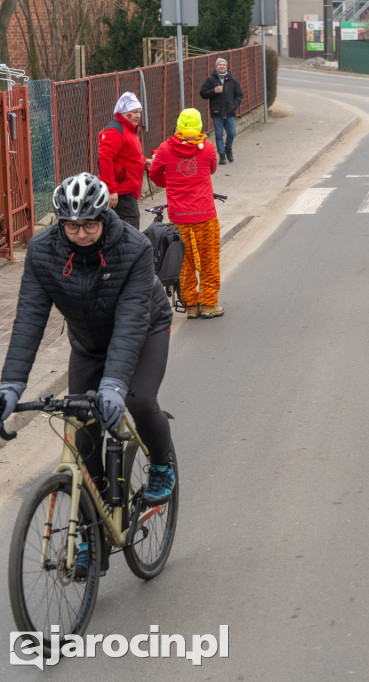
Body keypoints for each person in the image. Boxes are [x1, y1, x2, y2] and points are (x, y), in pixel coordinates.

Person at [0, 173, 176, 574]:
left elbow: (131, 321)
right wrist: (11, 384)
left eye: (89, 225)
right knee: (84, 433)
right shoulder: (43, 250)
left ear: (105, 217)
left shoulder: (132, 247)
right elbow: (29, 318)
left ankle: (162, 465)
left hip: (145, 329)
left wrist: (114, 383)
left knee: (138, 399)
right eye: (71, 225)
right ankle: (91, 540)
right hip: (88, 343)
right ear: (59, 221)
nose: (80, 233)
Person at [149, 108, 223, 319]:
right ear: (199, 126)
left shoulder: (164, 149)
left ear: (179, 127)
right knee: (209, 260)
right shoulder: (207, 148)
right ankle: (208, 304)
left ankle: (191, 305)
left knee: (183, 262)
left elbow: (155, 174)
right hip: (205, 215)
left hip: (179, 217)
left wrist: (170, 181)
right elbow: (212, 169)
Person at [97, 92, 149, 229]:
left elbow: (129, 157)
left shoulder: (128, 129)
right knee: (129, 233)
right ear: (125, 113)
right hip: (121, 193)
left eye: (139, 112)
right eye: (134, 112)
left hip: (126, 191)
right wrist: (111, 189)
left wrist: (144, 162)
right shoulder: (115, 131)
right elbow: (105, 160)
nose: (138, 115)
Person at [200, 57, 244, 165]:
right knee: (219, 135)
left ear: (226, 67)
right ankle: (222, 155)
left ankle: (228, 148)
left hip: (230, 112)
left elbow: (239, 95)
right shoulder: (211, 80)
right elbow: (203, 93)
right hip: (217, 112)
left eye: (224, 65)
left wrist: (234, 106)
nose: (222, 66)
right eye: (220, 65)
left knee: (232, 133)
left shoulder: (232, 80)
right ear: (216, 67)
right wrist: (214, 91)